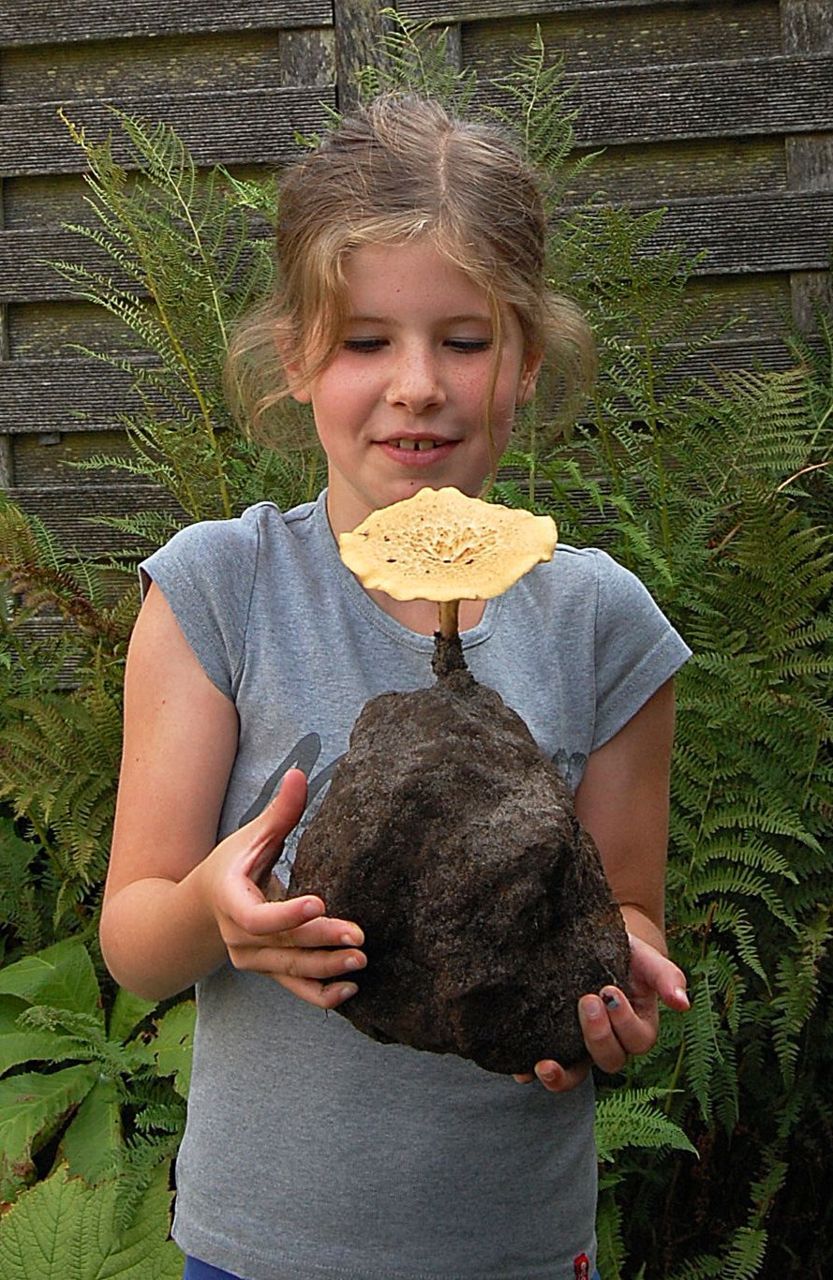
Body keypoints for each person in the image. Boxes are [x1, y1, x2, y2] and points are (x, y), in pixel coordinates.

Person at [100, 94, 691, 1280]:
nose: (417, 384)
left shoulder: (598, 619)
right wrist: (218, 908)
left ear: (525, 360)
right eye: (367, 340)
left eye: (463, 341)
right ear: (296, 361)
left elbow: (621, 908)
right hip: (259, 1246)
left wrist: (618, 995)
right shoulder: (219, 590)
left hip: (516, 1249)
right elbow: (132, 939)